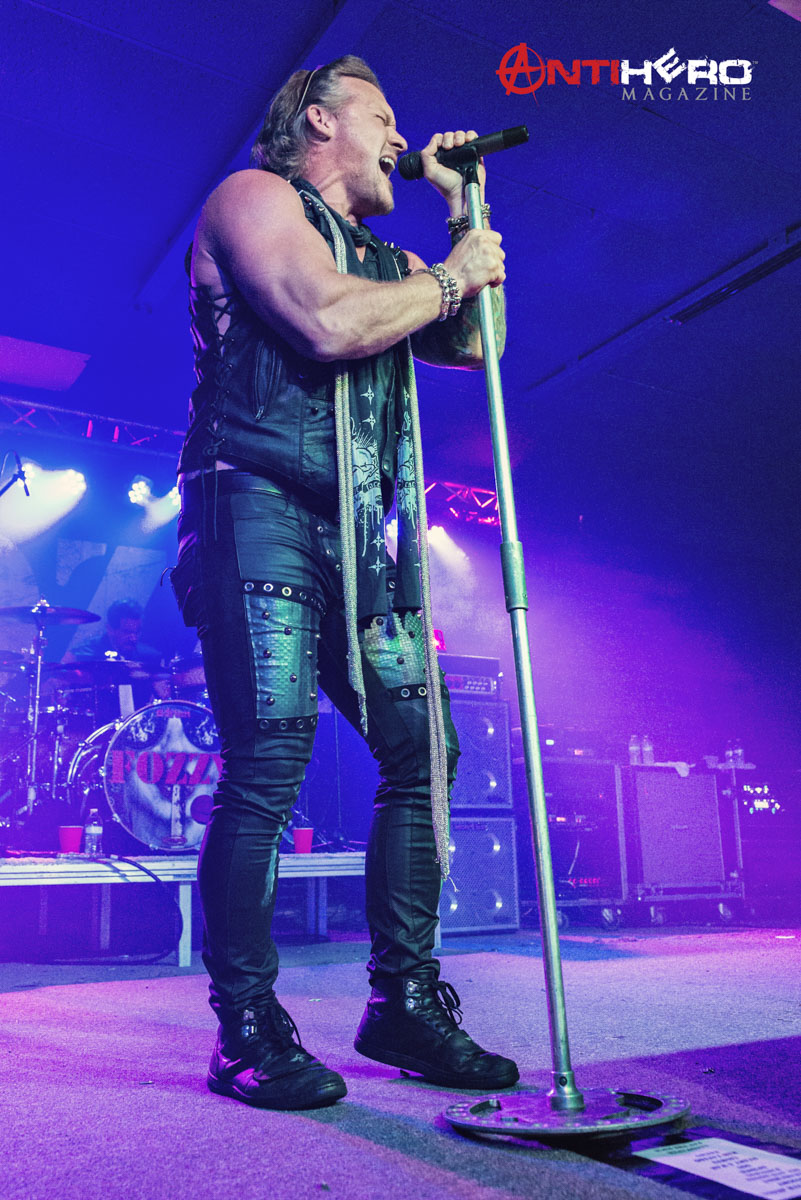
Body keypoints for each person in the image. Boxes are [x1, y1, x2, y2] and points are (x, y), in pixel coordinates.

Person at [172, 55, 517, 1111]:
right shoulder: (253, 197)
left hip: (362, 532)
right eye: (383, 116)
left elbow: (481, 346)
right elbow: (325, 320)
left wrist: (463, 215)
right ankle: (245, 1027)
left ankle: (403, 1001)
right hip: (255, 504)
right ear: (320, 121)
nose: (400, 138)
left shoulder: (392, 257)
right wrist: (453, 273)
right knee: (269, 759)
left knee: (427, 753)